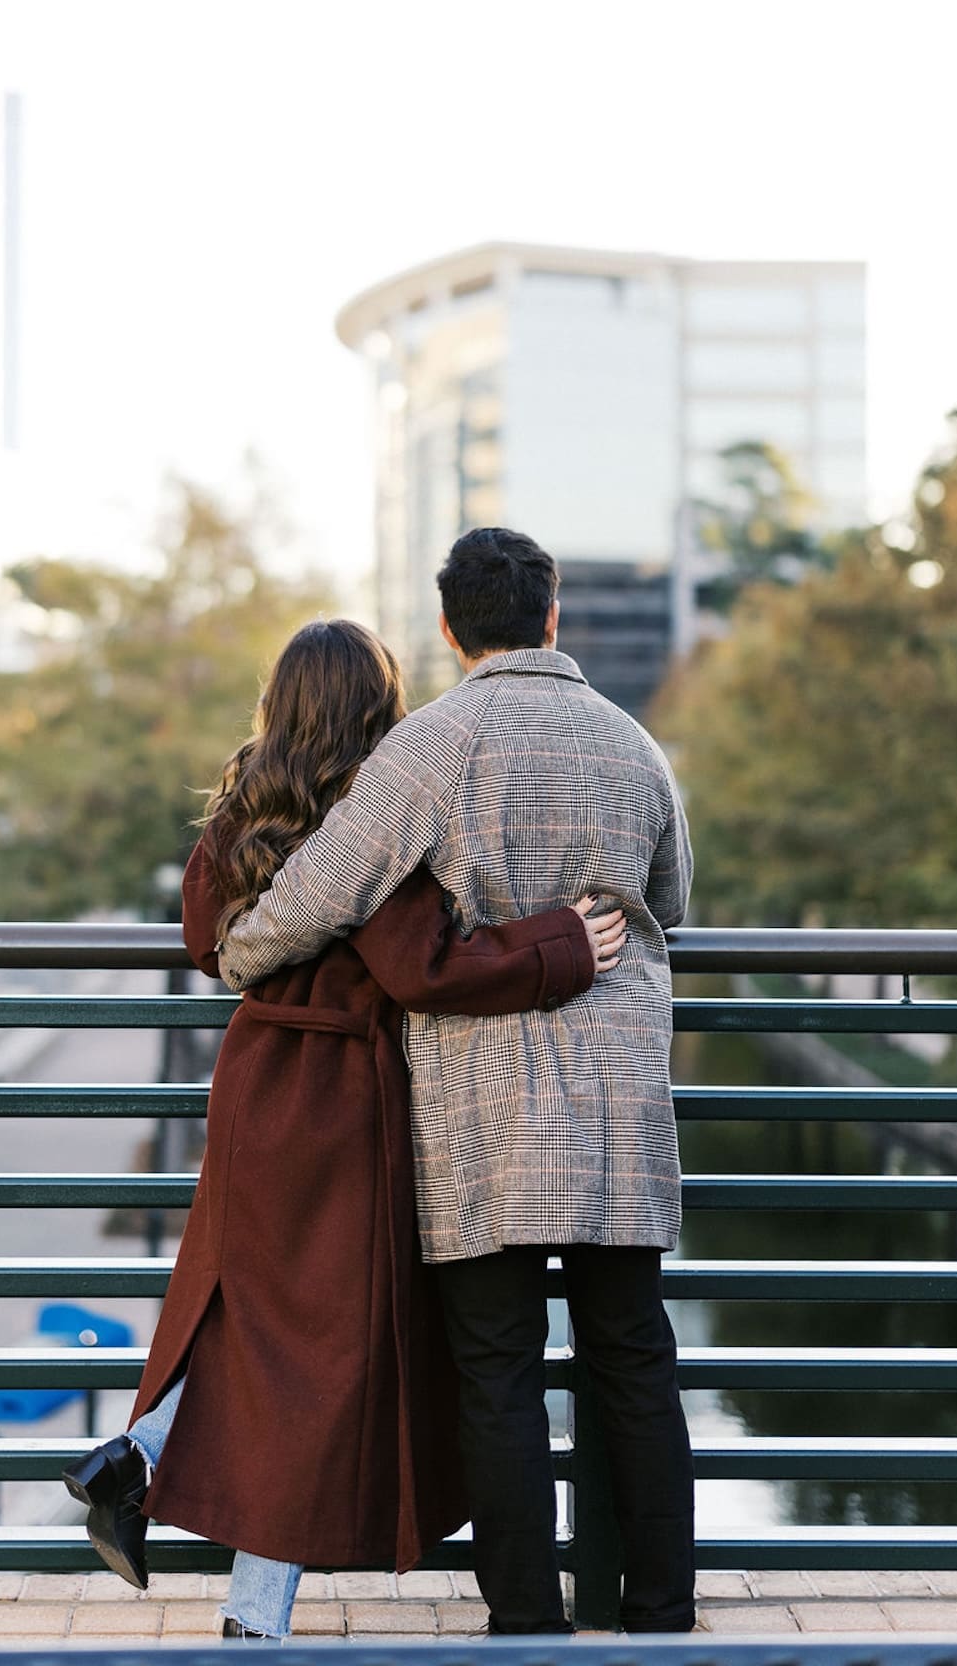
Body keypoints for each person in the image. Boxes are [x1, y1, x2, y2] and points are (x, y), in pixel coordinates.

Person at [63, 617, 625, 1639]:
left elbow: (204, 937)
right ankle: (250, 1611)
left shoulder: (243, 811)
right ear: (379, 704)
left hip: (255, 1091)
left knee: (254, 1330)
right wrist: (559, 947)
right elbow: (427, 967)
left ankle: (137, 1456)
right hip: (342, 1111)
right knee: (318, 1365)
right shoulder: (372, 821)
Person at [219, 529, 696, 1636]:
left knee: (496, 1371)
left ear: (448, 628)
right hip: (619, 1096)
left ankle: (526, 1621)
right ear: (552, 614)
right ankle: (661, 1613)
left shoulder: (426, 750)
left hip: (479, 1106)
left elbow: (320, 889)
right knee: (633, 1354)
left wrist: (240, 954)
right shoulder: (635, 747)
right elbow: (670, 899)